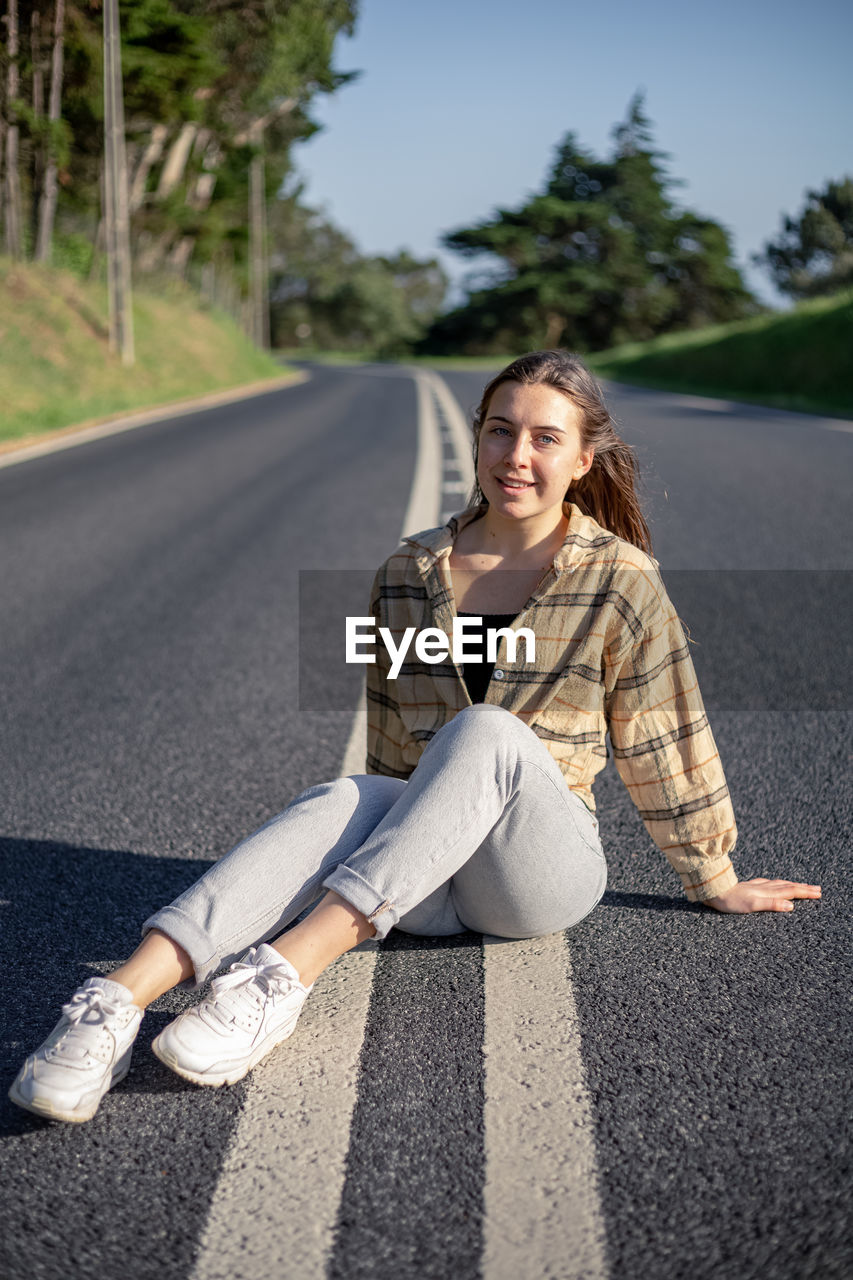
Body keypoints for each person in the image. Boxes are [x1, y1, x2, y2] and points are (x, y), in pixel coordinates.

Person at [9, 349, 821, 1124]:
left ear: (582, 460)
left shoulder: (619, 579)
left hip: (534, 873)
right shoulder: (409, 572)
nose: (515, 455)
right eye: (500, 430)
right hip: (425, 881)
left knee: (489, 732)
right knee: (353, 793)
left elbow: (662, 729)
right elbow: (392, 742)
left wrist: (712, 873)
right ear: (478, 436)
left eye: (545, 438)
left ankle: (280, 981)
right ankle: (114, 1003)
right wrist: (371, 837)